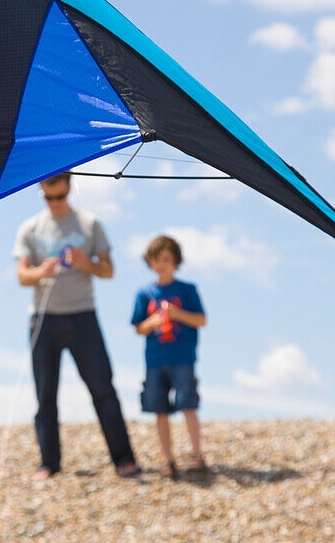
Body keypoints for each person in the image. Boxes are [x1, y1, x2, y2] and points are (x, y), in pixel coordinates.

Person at [13, 172, 139, 480]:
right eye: (48, 197)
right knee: (45, 395)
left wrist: (87, 263)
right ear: (41, 190)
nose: (54, 203)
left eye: (59, 196)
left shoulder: (90, 224)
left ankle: (124, 459)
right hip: (43, 319)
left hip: (83, 315)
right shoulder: (30, 227)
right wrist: (41, 271)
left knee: (103, 389)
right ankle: (49, 464)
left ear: (69, 188)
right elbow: (21, 276)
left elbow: (108, 270)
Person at [131, 235, 207, 480]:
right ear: (150, 262)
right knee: (159, 410)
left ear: (175, 261)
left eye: (166, 259)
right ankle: (168, 460)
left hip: (182, 357)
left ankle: (197, 454)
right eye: (156, 259)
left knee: (188, 405)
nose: (161, 264)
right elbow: (138, 328)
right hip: (155, 361)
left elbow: (201, 320)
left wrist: (177, 314)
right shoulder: (145, 293)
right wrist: (153, 321)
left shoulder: (187, 290)